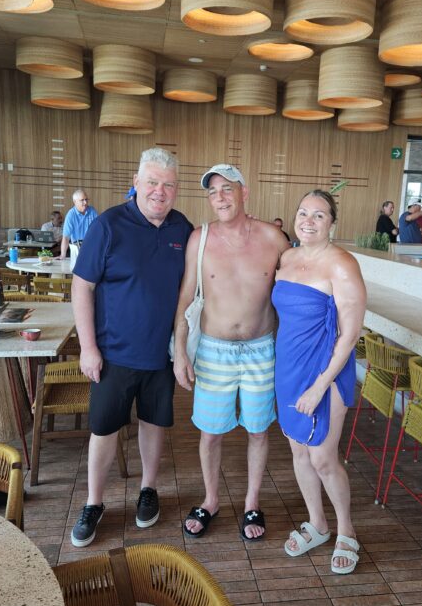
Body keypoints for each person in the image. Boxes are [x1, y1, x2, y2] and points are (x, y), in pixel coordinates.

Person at [69, 148, 192, 548]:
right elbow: (81, 287)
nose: (160, 191)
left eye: (168, 185)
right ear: (136, 183)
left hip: (160, 356)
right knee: (104, 430)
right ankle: (94, 502)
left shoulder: (182, 229)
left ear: (176, 189)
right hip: (113, 354)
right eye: (152, 182)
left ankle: (148, 489)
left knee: (154, 424)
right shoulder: (108, 225)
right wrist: (88, 347)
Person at [173, 164, 289, 541]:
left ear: (244, 192)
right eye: (212, 191)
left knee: (258, 430)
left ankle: (252, 501)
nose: (219, 197)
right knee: (210, 434)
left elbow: (299, 285)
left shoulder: (273, 238)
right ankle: (211, 500)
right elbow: (186, 296)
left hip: (261, 350)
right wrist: (180, 350)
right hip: (214, 350)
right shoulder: (200, 238)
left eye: (227, 189)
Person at [272, 189, 365, 575]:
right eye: (303, 213)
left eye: (319, 215)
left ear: (332, 223)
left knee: (323, 458)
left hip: (325, 371)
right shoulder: (287, 258)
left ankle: (346, 530)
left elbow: (350, 334)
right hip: (288, 368)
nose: (308, 221)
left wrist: (319, 385)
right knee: (299, 453)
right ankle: (318, 524)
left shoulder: (342, 264)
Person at [60, 189, 98, 259]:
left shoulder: (92, 211)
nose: (85, 202)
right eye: (82, 200)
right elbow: (66, 237)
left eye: (86, 199)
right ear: (75, 202)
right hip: (77, 248)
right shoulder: (71, 215)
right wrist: (63, 255)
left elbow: (98, 231)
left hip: (91, 246)